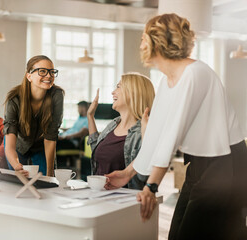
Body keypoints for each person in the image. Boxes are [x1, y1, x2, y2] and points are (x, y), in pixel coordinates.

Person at [105, 13, 247, 239]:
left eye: (144, 37)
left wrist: (151, 186)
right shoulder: (166, 80)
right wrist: (127, 173)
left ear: (157, 42)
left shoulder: (195, 73)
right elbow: (157, 133)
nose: (140, 43)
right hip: (200, 164)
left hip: (227, 164)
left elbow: (172, 133)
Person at [87, 73, 155, 190]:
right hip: (98, 196)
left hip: (124, 202)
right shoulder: (113, 124)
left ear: (133, 93)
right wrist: (90, 116)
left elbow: (144, 175)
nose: (113, 92)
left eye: (118, 87)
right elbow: (98, 150)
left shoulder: (143, 131)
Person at [3, 55, 64, 177]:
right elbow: (9, 145)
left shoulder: (56, 96)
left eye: (52, 72)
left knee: (45, 181)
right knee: (20, 180)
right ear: (29, 76)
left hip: (41, 146)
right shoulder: (14, 99)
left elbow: (51, 136)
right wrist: (16, 166)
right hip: (18, 144)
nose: (48, 76)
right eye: (42, 71)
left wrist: (50, 174)